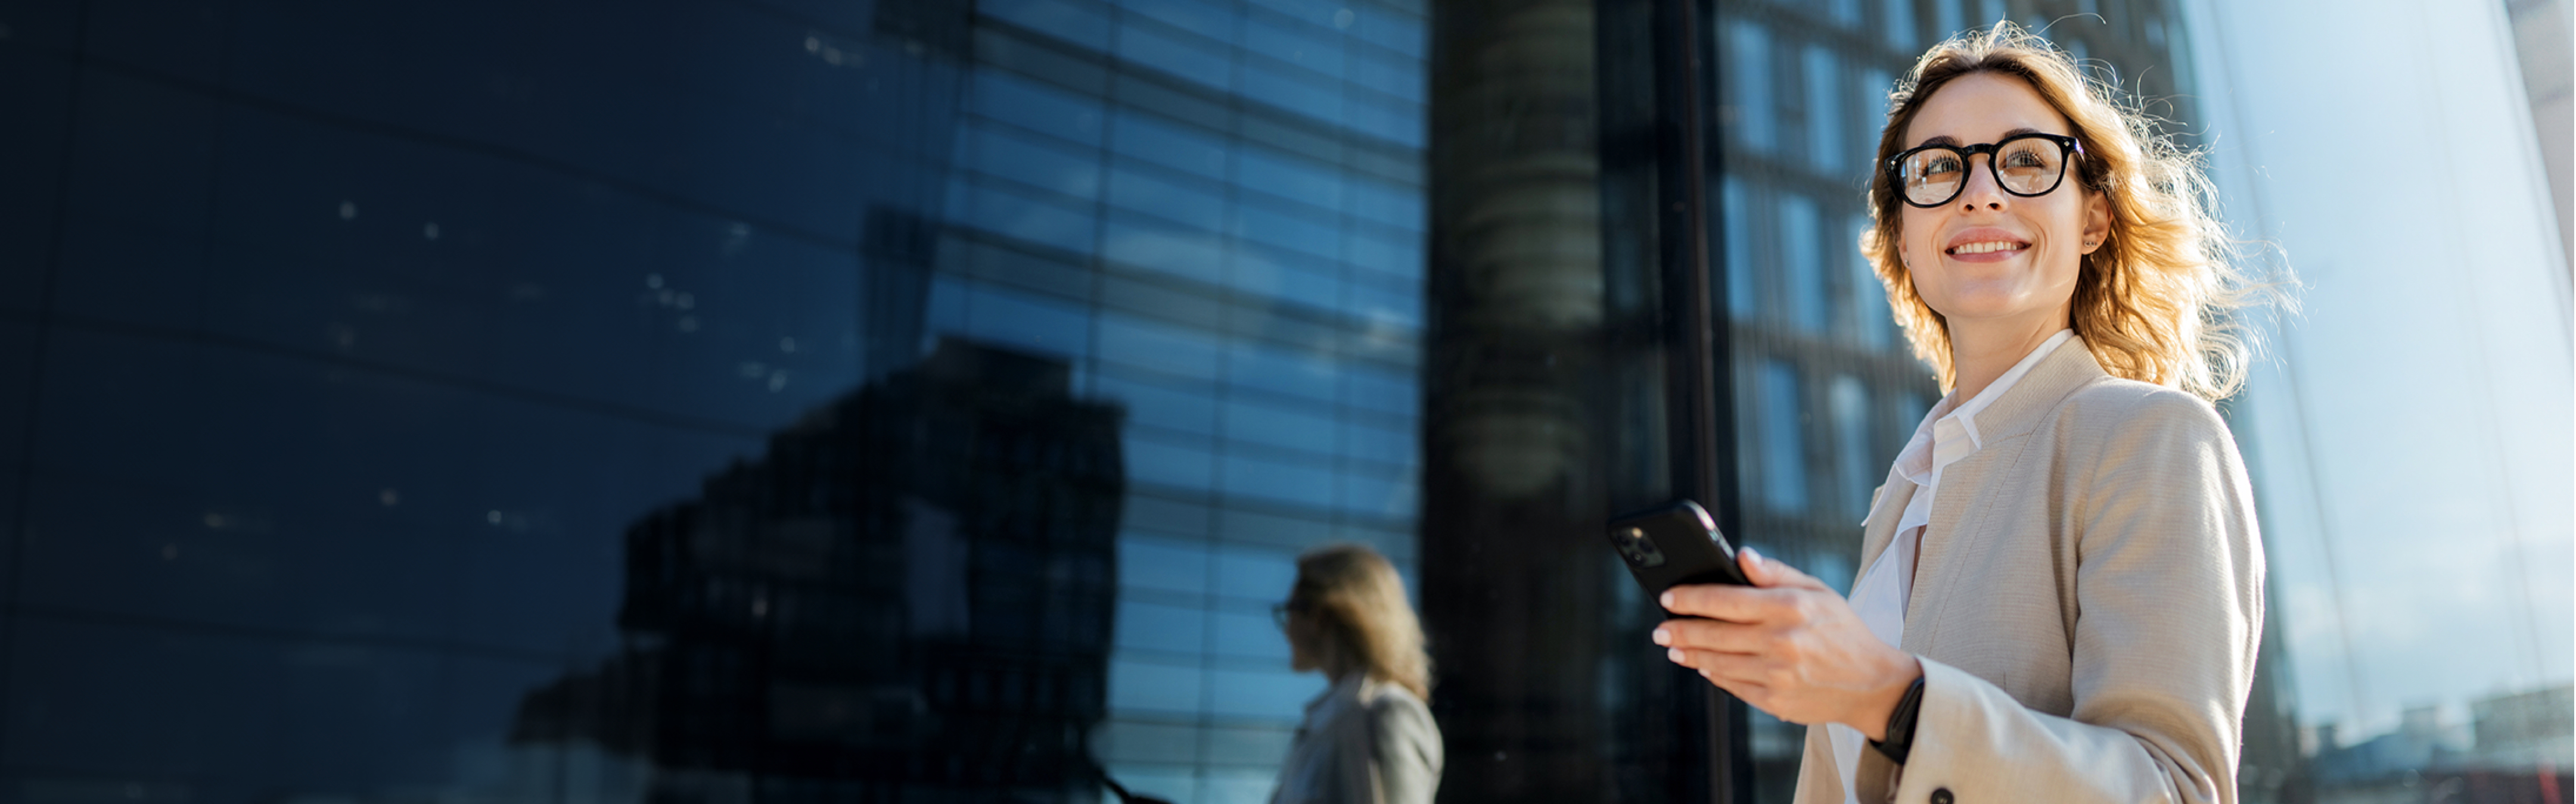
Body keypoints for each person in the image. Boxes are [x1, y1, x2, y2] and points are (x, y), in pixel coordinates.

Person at [1652, 23, 2273, 804]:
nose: (1979, 191)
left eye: (2023, 160)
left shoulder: (2150, 438)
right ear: (1904, 240)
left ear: (2091, 219)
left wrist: (1891, 696)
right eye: (1939, 168)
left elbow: (2170, 789)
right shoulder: (1904, 497)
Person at [1269, 543, 1443, 804]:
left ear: (1318, 615)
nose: (1285, 629)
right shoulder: (1325, 721)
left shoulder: (1387, 711)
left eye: (1290, 609)